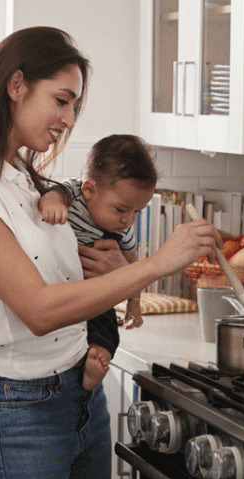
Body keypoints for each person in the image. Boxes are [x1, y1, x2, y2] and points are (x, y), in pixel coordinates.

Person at [0, 26, 220, 479]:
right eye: (61, 100)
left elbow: (66, 280)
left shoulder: (22, 179)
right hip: (21, 413)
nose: (68, 118)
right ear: (16, 86)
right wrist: (157, 265)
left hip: (80, 396)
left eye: (74, 105)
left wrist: (117, 268)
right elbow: (38, 309)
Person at [39, 134, 158, 389]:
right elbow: (53, 194)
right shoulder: (72, 193)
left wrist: (134, 303)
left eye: (137, 211)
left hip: (96, 295)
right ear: (89, 189)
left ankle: (98, 358)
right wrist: (52, 205)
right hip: (62, 292)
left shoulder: (122, 228)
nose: (129, 220)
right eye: (121, 209)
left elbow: (133, 267)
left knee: (106, 327)